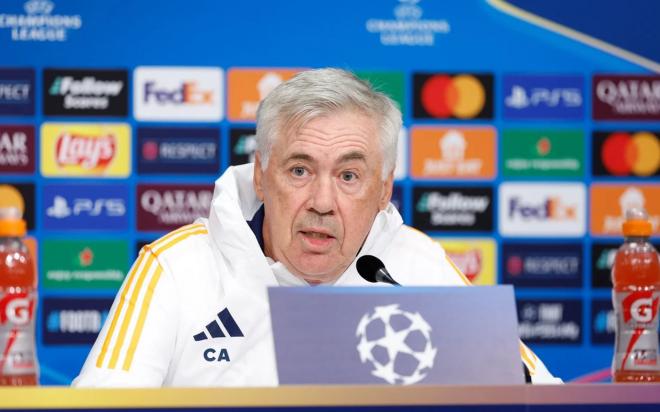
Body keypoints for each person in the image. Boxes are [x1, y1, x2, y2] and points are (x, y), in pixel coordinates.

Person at [73, 68, 560, 387]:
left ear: (384, 189)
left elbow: (539, 394)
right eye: (300, 170)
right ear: (262, 176)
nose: (322, 203)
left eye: (349, 176)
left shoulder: (415, 265)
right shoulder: (176, 267)